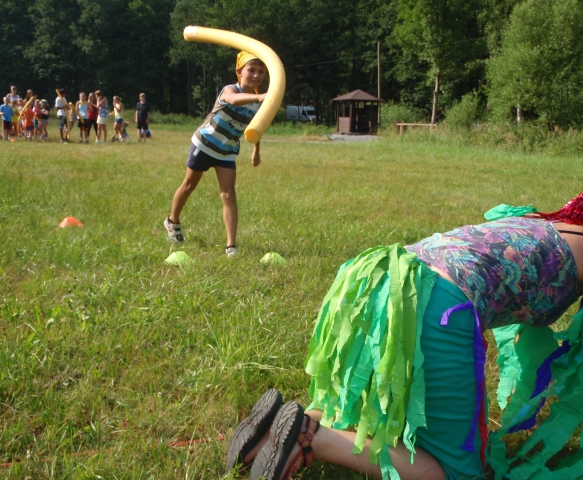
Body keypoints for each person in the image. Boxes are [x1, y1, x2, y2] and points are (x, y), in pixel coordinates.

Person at [227, 193, 583, 480]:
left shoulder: (542, 224)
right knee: (456, 472)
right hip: (437, 304)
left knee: (366, 411)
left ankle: (278, 430)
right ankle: (310, 438)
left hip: (377, 279)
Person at [164, 51, 266, 257]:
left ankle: (231, 246)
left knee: (228, 193)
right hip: (205, 144)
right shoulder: (230, 89)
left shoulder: (258, 104)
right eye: (252, 70)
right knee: (189, 185)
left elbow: (256, 128)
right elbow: (233, 100)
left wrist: (256, 151)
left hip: (227, 151)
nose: (256, 75)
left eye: (261, 71)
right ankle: (172, 221)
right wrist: (260, 96)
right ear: (239, 71)